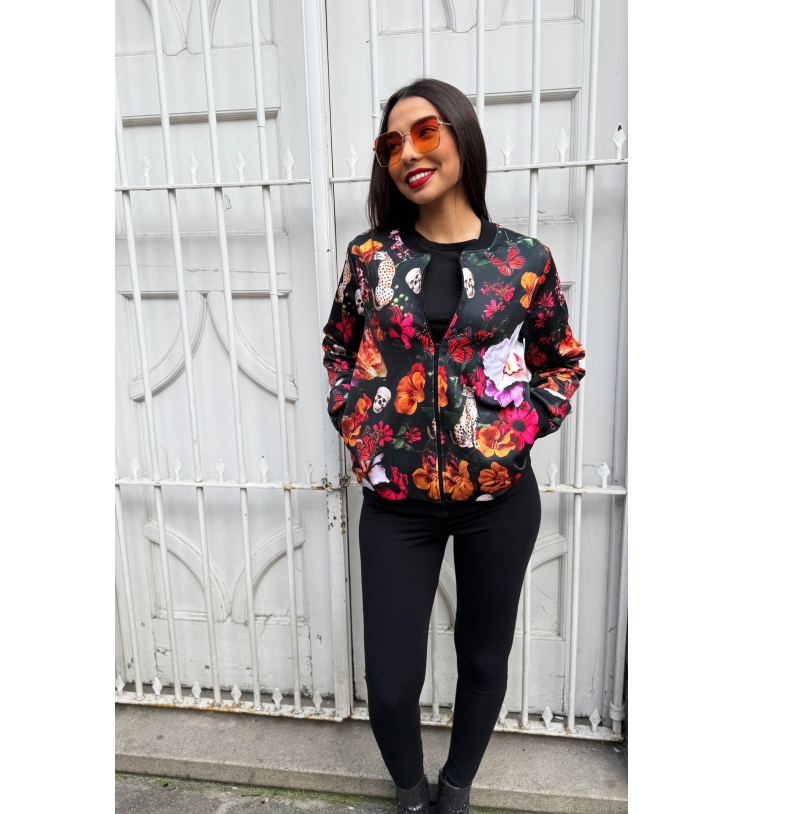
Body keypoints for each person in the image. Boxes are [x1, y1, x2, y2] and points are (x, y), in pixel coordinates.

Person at [320, 77, 586, 814]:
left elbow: (560, 363)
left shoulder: (525, 261)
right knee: (391, 682)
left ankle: (457, 791)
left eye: (426, 132)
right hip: (396, 502)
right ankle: (411, 795)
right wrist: (360, 423)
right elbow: (339, 349)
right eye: (393, 143)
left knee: (482, 658)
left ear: (462, 135)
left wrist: (516, 431)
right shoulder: (370, 258)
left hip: (498, 502)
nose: (409, 153)